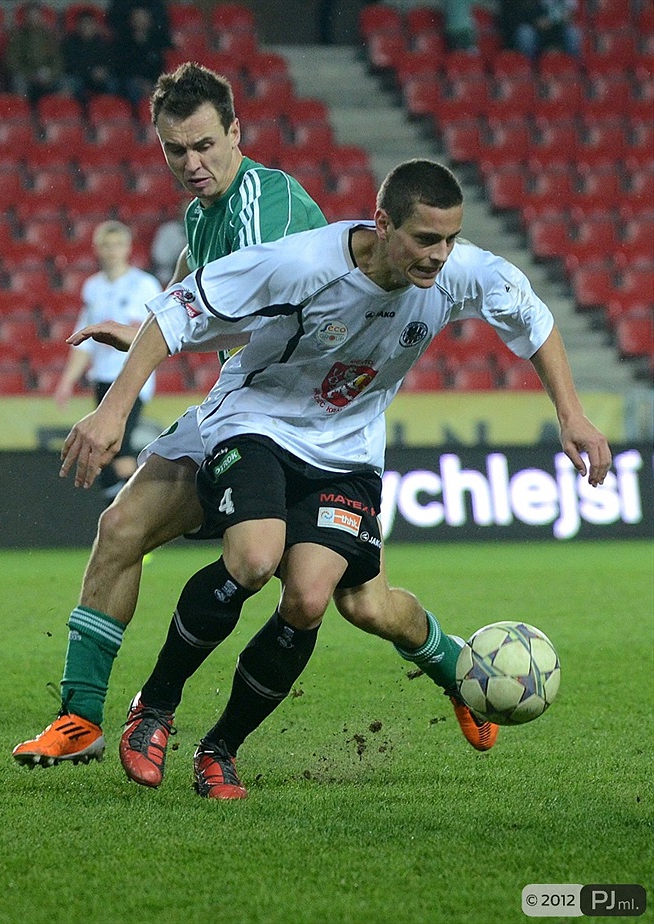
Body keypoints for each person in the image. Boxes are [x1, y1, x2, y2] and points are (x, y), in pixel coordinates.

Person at [55, 159, 611, 799]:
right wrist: (113, 410)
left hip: (346, 453)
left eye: (451, 238)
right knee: (254, 558)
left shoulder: (459, 274)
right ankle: (152, 710)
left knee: (317, 600)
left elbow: (534, 320)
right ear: (382, 224)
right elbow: (180, 310)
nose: (441, 255)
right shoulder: (303, 264)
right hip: (258, 422)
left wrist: (571, 415)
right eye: (425, 239)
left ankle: (220, 749)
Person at [12, 63, 493, 782]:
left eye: (206, 145)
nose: (192, 164)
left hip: (315, 423)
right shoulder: (205, 210)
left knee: (365, 603)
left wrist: (133, 379)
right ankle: (82, 717)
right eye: (175, 151)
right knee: (123, 528)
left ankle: (456, 667)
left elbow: (248, 304)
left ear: (236, 132)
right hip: (254, 410)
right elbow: (196, 276)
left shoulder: (262, 204)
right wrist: (150, 321)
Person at [53, 221, 162, 503]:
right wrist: (67, 381)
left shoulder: (144, 285)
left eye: (117, 244)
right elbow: (84, 339)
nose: (112, 250)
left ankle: (141, 513)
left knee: (119, 449)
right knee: (107, 451)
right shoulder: (93, 287)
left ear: (127, 248)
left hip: (133, 377)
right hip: (102, 378)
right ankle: (128, 513)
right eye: (106, 244)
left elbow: (157, 332)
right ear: (97, 248)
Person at [4, 1, 64, 104]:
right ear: (25, 18)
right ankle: (22, 112)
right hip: (26, 76)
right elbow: (11, 61)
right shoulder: (18, 36)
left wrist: (49, 73)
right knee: (18, 81)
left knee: (64, 84)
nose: (33, 19)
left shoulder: (49, 36)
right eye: (30, 16)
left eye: (36, 16)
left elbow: (57, 61)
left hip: (46, 77)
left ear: (41, 17)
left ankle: (55, 114)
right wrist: (30, 74)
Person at [113, 6, 168, 104]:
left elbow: (159, 66)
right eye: (137, 19)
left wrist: (151, 83)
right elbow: (122, 67)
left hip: (153, 81)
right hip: (131, 82)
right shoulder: (123, 42)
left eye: (143, 18)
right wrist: (140, 82)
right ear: (131, 21)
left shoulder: (155, 42)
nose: (140, 22)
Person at [62, 9, 118, 103]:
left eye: (89, 24)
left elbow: (110, 63)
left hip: (98, 79)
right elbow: (69, 65)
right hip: (78, 76)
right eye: (83, 24)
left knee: (112, 84)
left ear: (95, 26)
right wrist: (90, 71)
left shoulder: (103, 43)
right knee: (69, 84)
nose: (86, 27)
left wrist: (103, 71)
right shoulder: (69, 43)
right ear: (77, 26)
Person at [498, 0, 582, 60]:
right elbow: (511, 19)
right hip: (527, 32)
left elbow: (563, 16)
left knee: (573, 33)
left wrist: (551, 22)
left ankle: (573, 68)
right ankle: (528, 69)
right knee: (525, 33)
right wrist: (535, 22)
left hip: (551, 33)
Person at [150, 200, 189, 286]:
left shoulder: (201, 229)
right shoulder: (167, 229)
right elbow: (159, 257)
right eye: (183, 210)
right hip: (168, 275)